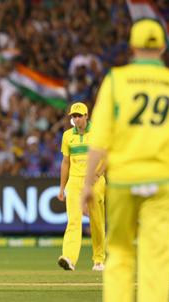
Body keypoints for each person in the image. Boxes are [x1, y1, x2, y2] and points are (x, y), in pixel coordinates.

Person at [81, 19, 169, 302]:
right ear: (162, 47)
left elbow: (99, 138)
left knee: (119, 254)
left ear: (132, 46)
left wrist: (87, 184)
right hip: (162, 182)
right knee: (156, 259)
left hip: (123, 181)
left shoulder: (116, 80)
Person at [57, 102, 105, 272]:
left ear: (86, 116)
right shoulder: (67, 136)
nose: (76, 119)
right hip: (75, 181)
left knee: (97, 221)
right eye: (73, 116)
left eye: (79, 116)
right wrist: (62, 188)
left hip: (96, 180)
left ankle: (99, 260)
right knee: (73, 221)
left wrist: (97, 175)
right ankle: (69, 258)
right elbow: (65, 162)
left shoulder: (98, 133)